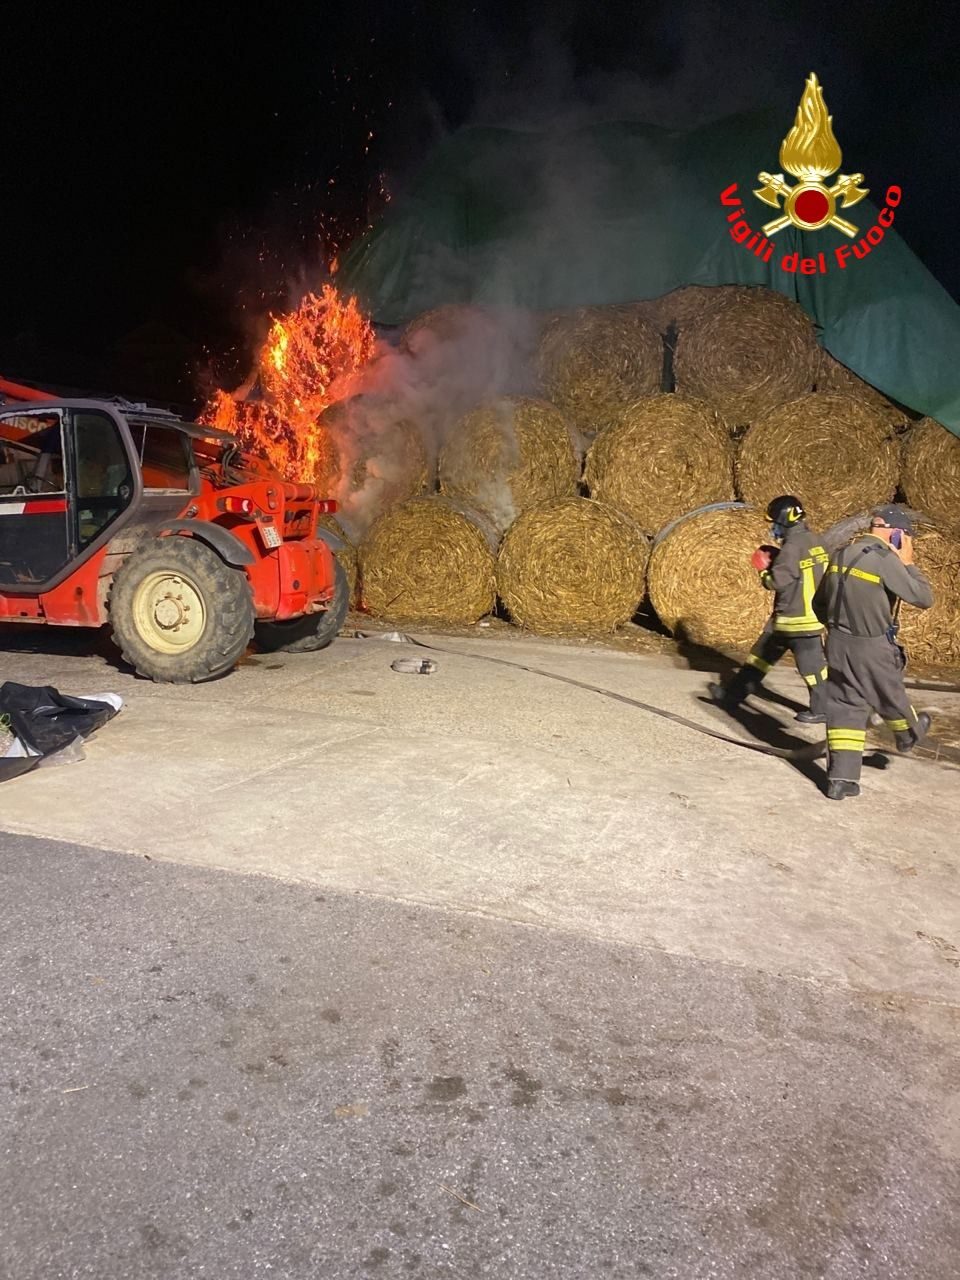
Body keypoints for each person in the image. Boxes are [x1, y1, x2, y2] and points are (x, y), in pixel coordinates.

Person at [812, 504, 934, 802]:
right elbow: (923, 597)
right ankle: (909, 734)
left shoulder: (842, 553)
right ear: (896, 535)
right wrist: (907, 564)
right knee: (888, 692)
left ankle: (841, 780)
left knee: (844, 706)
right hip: (871, 644)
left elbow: (819, 604)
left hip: (838, 643)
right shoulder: (884, 560)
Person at [709, 495, 830, 722]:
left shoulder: (792, 547)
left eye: (774, 523)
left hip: (792, 619)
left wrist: (763, 570)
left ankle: (824, 709)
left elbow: (776, 582)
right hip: (809, 618)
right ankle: (731, 698)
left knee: (806, 668)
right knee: (766, 659)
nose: (773, 528)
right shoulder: (817, 541)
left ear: (785, 520)